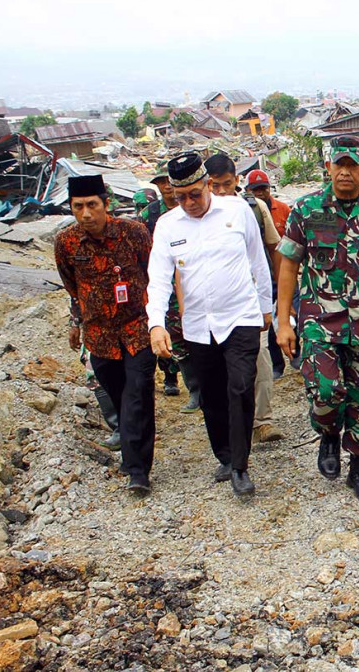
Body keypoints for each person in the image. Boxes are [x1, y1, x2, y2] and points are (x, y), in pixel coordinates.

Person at [275, 136, 359, 502]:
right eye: (340, 164)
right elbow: (288, 266)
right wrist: (283, 321)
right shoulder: (306, 210)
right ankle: (329, 434)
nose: (345, 172)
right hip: (319, 322)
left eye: (353, 165)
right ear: (328, 168)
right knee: (325, 391)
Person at [147, 152, 273, 497]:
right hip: (198, 325)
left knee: (241, 387)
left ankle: (241, 466)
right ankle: (225, 455)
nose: (189, 203)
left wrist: (266, 307)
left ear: (207, 185)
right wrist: (156, 323)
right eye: (180, 197)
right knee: (212, 395)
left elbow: (258, 261)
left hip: (240, 316)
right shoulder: (167, 226)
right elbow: (158, 279)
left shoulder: (237, 211)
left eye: (195, 194)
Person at [54, 175, 156, 494]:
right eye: (78, 207)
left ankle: (137, 469)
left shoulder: (133, 233)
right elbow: (72, 287)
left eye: (92, 205)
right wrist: (76, 322)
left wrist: (160, 321)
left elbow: (154, 273)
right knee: (118, 394)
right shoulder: (67, 242)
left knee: (137, 394)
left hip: (137, 328)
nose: (86, 214)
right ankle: (132, 449)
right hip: (99, 336)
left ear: (106, 204)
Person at [203, 154, 285, 445]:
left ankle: (263, 420)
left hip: (250, 300)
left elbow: (273, 248)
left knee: (260, 358)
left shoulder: (253, 208)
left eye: (227, 184)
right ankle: (233, 423)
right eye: (214, 186)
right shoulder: (195, 215)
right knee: (221, 368)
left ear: (237, 181)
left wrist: (277, 294)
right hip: (213, 307)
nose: (221, 191)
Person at [137, 173, 198, 412]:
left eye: (168, 181)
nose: (166, 186)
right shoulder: (150, 215)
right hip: (166, 288)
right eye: (160, 182)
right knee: (175, 339)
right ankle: (193, 389)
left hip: (194, 282)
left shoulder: (195, 208)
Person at [246, 168, 294, 379]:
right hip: (260, 275)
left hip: (284, 271)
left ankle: (296, 354)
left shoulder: (283, 209)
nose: (260, 193)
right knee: (268, 321)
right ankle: (277, 364)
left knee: (291, 314)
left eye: (263, 188)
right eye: (255, 189)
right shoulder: (247, 210)